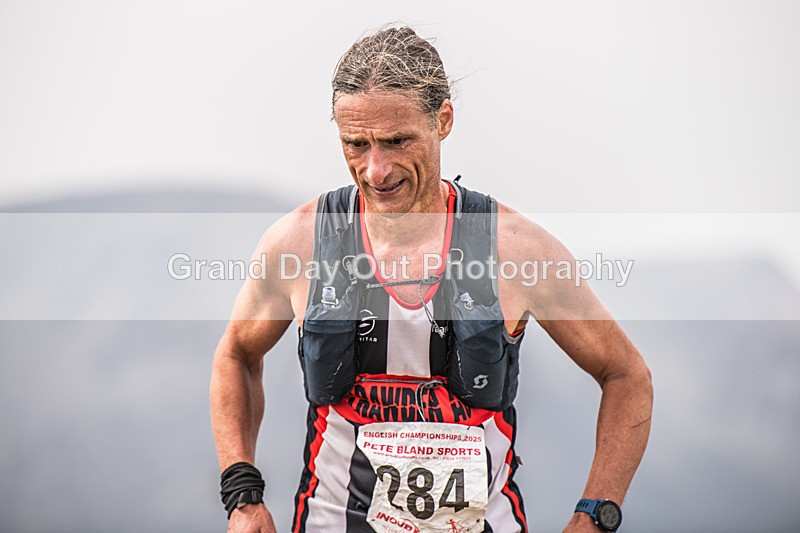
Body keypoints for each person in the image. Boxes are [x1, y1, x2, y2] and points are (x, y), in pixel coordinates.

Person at [210, 25, 652, 533]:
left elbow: (627, 376)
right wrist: (241, 495)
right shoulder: (298, 244)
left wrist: (595, 515)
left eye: (397, 141)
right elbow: (236, 354)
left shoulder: (516, 250)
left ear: (442, 120)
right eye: (356, 144)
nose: (376, 169)